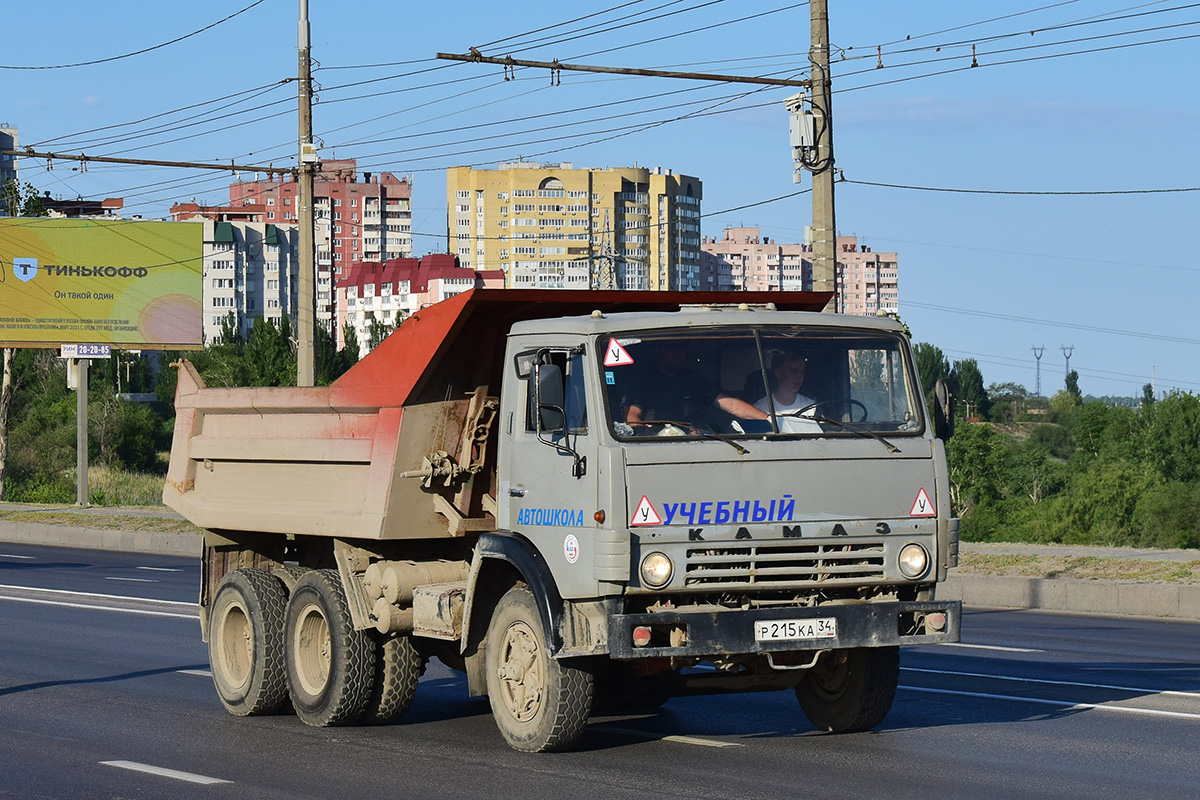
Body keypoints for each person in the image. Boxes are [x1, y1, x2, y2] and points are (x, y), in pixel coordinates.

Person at [624, 341, 767, 427]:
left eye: (681, 350)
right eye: (672, 350)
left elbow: (730, 405)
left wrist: (769, 419)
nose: (678, 354)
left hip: (689, 439)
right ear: (660, 352)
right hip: (655, 442)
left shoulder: (692, 379)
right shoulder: (645, 380)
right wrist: (645, 439)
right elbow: (632, 416)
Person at [754, 351, 816, 417]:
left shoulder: (811, 407)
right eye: (794, 371)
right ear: (778, 372)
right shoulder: (760, 409)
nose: (799, 377)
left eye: (802, 372)